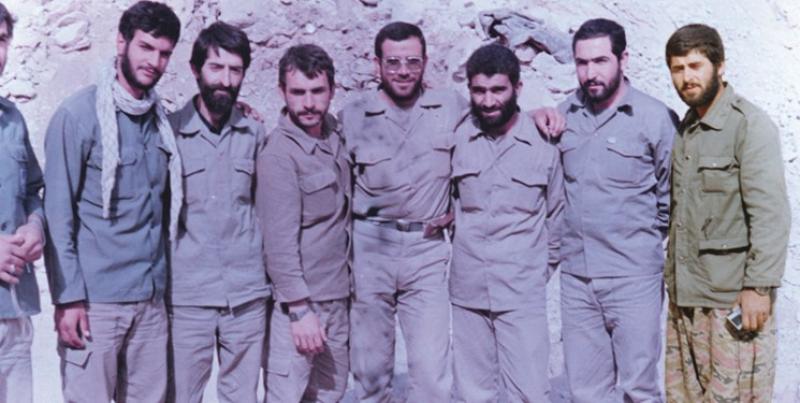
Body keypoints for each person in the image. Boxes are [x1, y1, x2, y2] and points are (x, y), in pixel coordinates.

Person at [339, 21, 562, 402]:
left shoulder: (451, 108)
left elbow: (501, 123)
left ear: (425, 62)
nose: (403, 71)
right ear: (377, 64)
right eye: (393, 62)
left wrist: (540, 112)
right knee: (371, 373)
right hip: (371, 249)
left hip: (427, 252)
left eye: (412, 61)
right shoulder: (352, 117)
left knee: (433, 374)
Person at [43, 2, 182, 401]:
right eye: (146, 47)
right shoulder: (78, 116)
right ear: (121, 42)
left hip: (150, 304)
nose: (154, 61)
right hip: (95, 305)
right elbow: (57, 214)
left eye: (164, 53)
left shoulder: (161, 121)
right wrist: (68, 298)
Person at [664, 23, 790, 403]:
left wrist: (758, 288)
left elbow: (770, 215)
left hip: (731, 302)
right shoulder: (687, 129)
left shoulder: (748, 126)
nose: (686, 77)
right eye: (677, 68)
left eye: (695, 66)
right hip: (687, 300)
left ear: (720, 66)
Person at [555, 19, 676, 402]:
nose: (590, 73)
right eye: (582, 62)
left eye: (601, 61)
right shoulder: (564, 114)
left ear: (623, 60)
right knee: (585, 391)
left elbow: (671, 198)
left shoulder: (654, 118)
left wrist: (637, 242)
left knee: (639, 388)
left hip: (633, 279)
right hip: (577, 280)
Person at [449, 43, 563, 402]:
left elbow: (557, 216)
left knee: (529, 392)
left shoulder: (544, 143)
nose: (488, 101)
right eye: (478, 91)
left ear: (517, 87)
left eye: (498, 90)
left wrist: (537, 271)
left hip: (521, 292)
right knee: (473, 393)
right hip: (468, 290)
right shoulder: (457, 137)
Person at [166, 21, 269, 403]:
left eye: (235, 70)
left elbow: (265, 208)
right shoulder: (170, 133)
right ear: (196, 70)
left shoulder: (256, 133)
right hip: (188, 296)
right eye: (216, 67)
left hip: (246, 295)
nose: (225, 80)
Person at [258, 43, 351, 403]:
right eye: (298, 92)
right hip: (299, 308)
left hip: (337, 298)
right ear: (282, 92)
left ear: (332, 90)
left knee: (330, 395)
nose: (309, 103)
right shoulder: (279, 155)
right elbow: (278, 245)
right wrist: (299, 311)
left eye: (317, 91)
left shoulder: (336, 135)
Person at [0, 3, 46, 402]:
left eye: (0, 40)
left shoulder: (13, 120)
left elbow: (33, 190)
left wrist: (35, 225)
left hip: (13, 315)